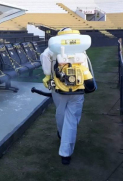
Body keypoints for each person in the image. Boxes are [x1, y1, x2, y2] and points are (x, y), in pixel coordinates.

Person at [40, 27, 96, 165]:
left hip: (57, 90)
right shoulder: (81, 49)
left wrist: (50, 77)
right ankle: (66, 152)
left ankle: (62, 137)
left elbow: (47, 70)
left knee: (60, 114)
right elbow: (86, 72)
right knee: (72, 119)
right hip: (78, 90)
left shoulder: (49, 50)